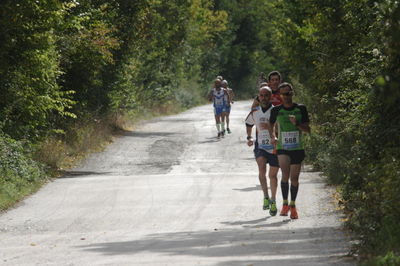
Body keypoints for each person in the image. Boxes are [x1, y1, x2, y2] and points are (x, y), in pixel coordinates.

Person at [269, 82, 310, 219]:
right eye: (283, 94)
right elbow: (271, 126)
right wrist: (273, 137)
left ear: (292, 93)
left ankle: (293, 205)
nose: (286, 96)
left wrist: (297, 124)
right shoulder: (276, 110)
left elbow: (308, 130)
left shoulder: (301, 109)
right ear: (280, 96)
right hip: (282, 148)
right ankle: (285, 204)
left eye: (289, 93)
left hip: (297, 148)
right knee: (285, 175)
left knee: (294, 178)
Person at [245, 86, 279, 216]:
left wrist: (275, 135)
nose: (264, 98)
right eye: (261, 95)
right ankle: (265, 196)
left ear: (270, 97)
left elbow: (282, 127)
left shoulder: (276, 111)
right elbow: (248, 123)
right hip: (260, 145)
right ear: (258, 97)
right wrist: (249, 137)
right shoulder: (255, 111)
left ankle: (273, 200)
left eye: (266, 95)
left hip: (274, 147)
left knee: (273, 176)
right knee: (261, 169)